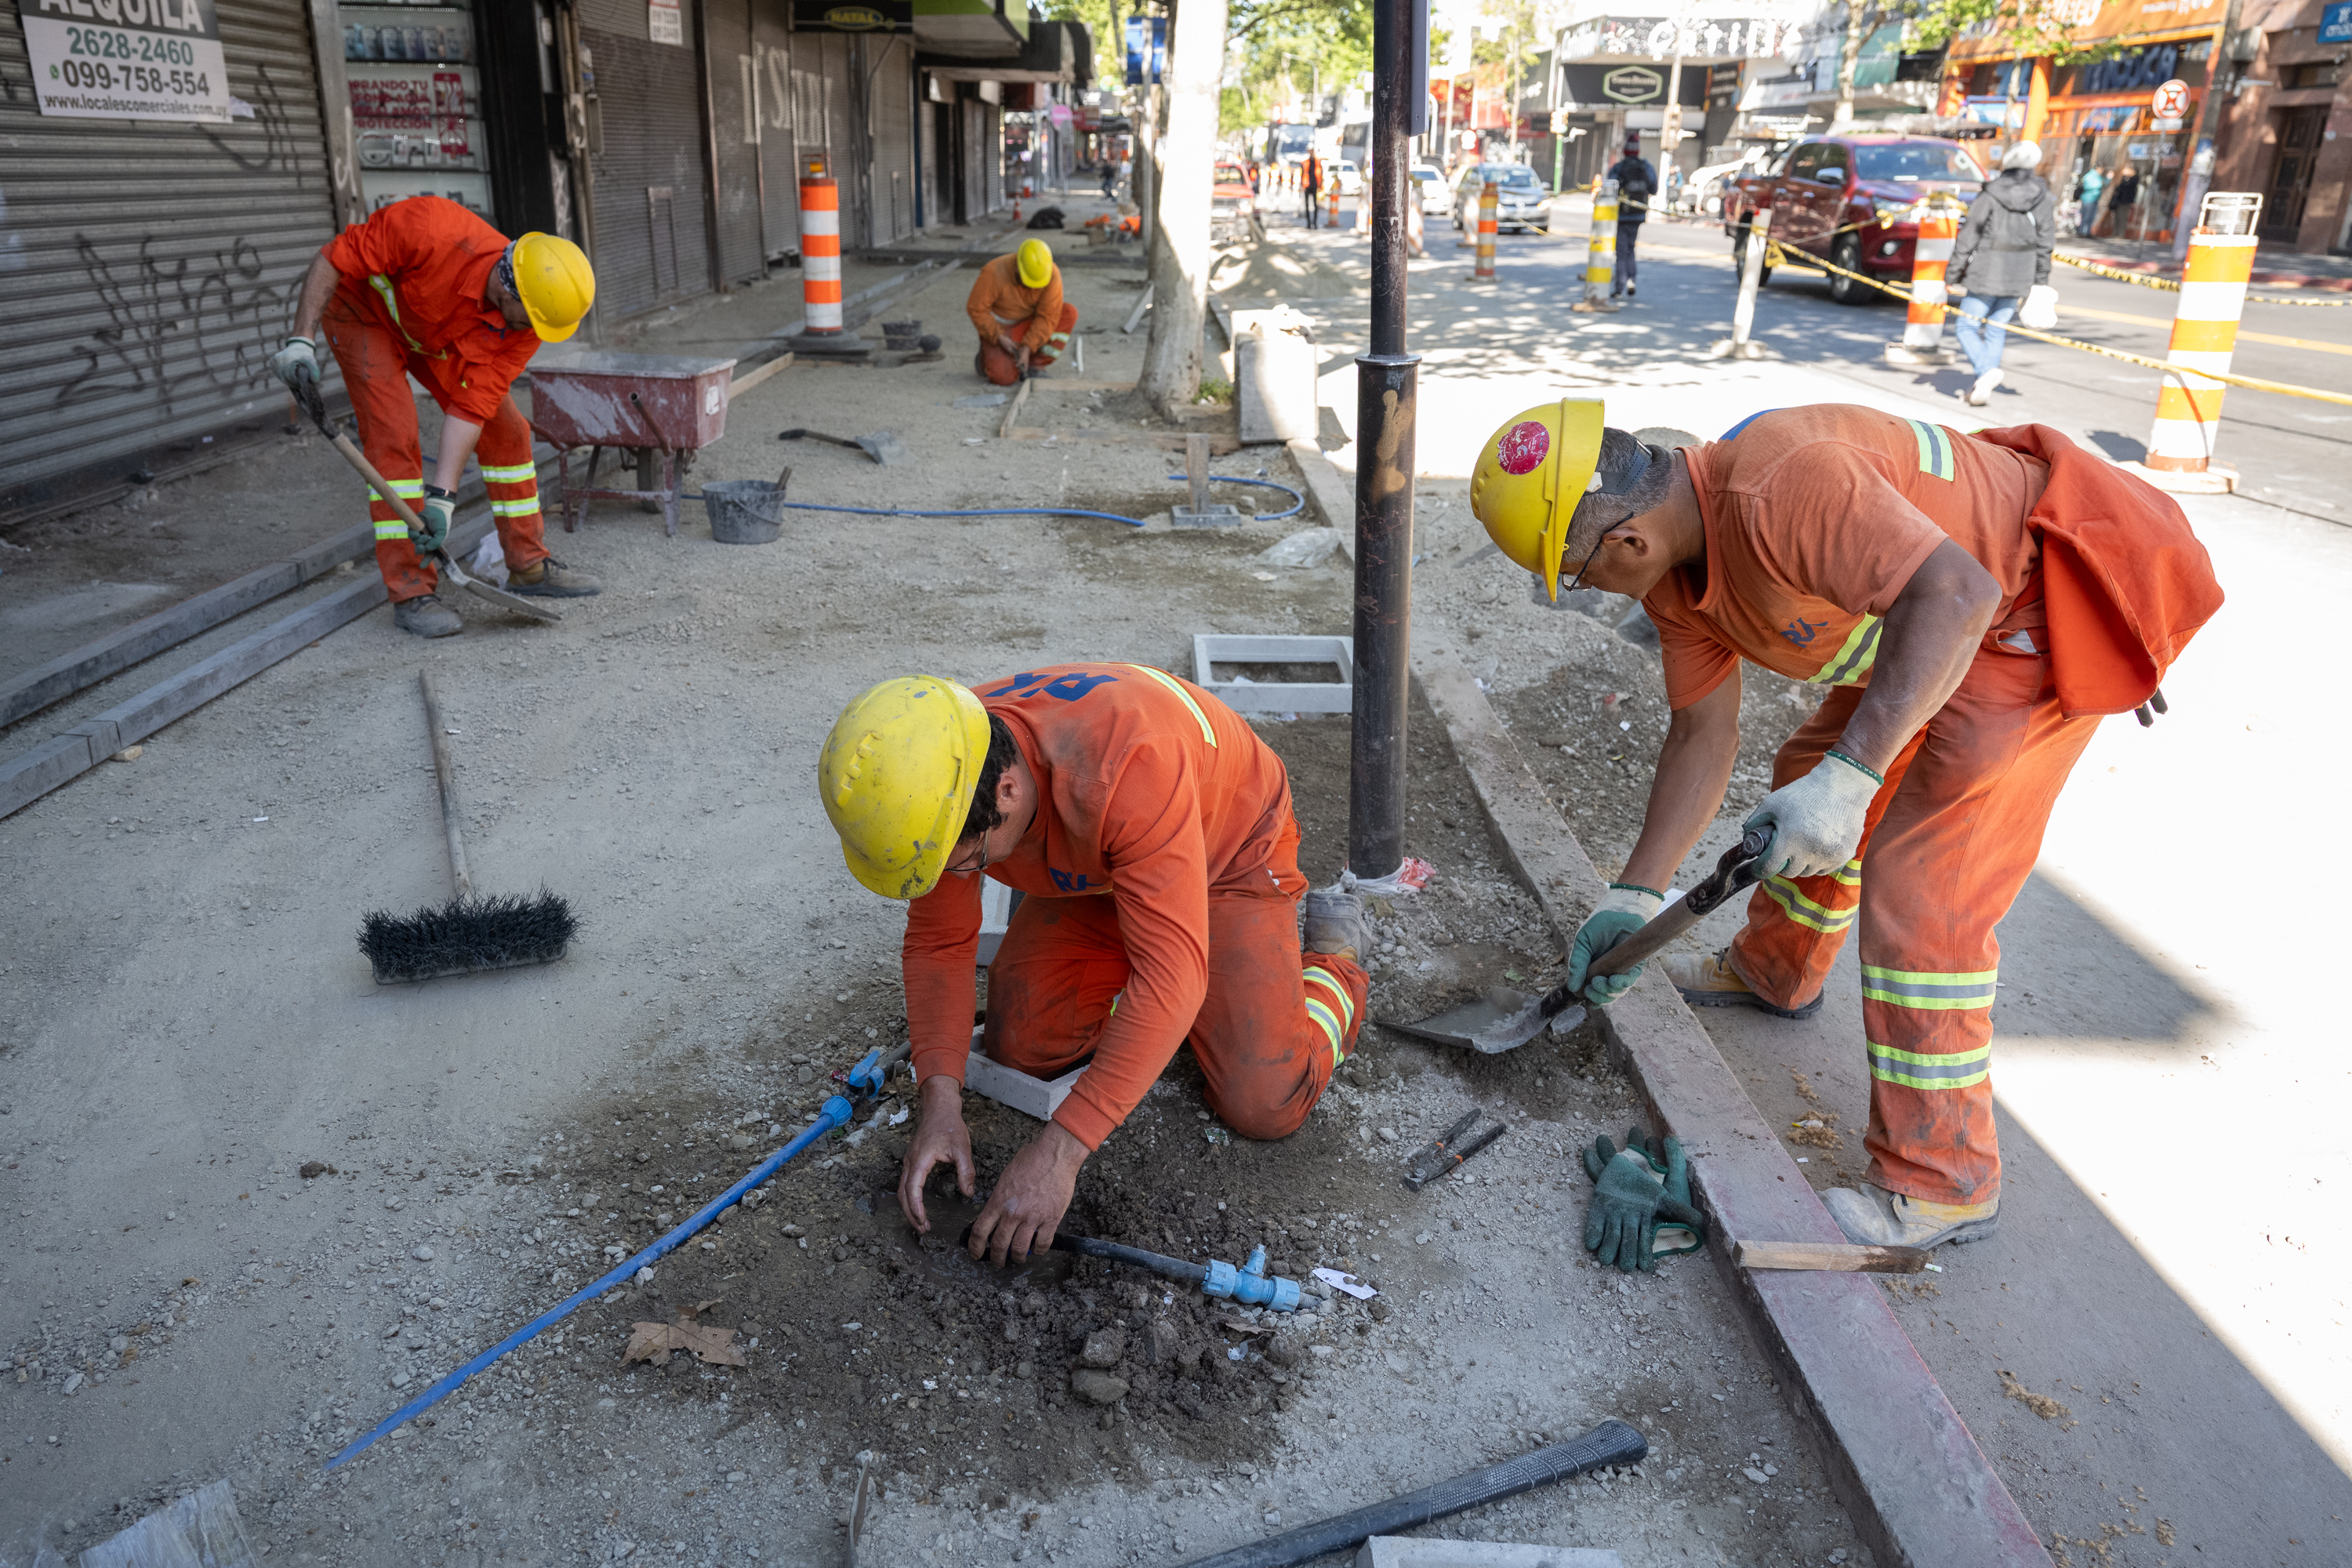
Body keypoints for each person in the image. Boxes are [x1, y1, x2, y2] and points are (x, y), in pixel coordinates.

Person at [1466, 399, 2220, 1253]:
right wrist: (1635, 894)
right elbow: (1701, 733)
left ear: (1627, 542)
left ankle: (1942, 1180)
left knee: (1925, 892)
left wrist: (1856, 778)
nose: (1587, 591)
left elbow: (1959, 591)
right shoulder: (1680, 579)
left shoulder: (1780, 486)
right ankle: (1774, 970)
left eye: (1579, 574)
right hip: (1932, 625)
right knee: (1804, 781)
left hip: (2022, 618)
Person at [818, 668, 1372, 1265]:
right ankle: (1173, 984)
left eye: (965, 865)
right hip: (1112, 859)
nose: (959, 878)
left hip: (1226, 849)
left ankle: (1332, 962)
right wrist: (940, 1105)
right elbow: (938, 946)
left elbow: (1170, 977)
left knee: (1264, 1101)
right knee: (1026, 1042)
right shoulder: (938, 771)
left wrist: (1060, 1154)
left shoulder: (1123, 771)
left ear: (1007, 792)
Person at [267, 196, 600, 638]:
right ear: (508, 288)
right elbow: (332, 258)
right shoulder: (430, 229)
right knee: (394, 436)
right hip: (363, 315)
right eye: (533, 321)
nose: (536, 334)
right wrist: (300, 340)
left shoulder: (526, 322)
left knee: (508, 432)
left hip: (434, 333)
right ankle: (411, 590)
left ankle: (527, 564)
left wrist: (442, 496)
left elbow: (473, 406)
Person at [1947, 140, 2056, 407]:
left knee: (1966, 326)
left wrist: (1952, 273)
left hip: (1987, 269)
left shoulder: (1990, 194)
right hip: (2022, 273)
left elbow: (1969, 236)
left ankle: (1986, 373)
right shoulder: (2043, 196)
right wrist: (2040, 279)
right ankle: (1982, 387)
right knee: (1996, 330)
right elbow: (2046, 241)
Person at [965, 238, 1076, 387]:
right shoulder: (994, 271)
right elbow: (976, 309)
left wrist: (1028, 346)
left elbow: (1048, 317)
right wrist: (997, 336)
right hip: (1002, 329)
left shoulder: (1052, 274)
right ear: (1017, 265)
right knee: (1003, 378)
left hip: (1030, 324)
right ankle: (985, 356)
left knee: (1068, 313)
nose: (1032, 289)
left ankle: (1036, 365)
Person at [1606, 135, 1657, 300]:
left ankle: (1619, 287)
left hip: (1622, 215)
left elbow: (1609, 187)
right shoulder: (1645, 166)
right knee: (1631, 249)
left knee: (1621, 252)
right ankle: (1631, 281)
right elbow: (1654, 188)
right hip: (1639, 214)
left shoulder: (1619, 168)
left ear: (1625, 151)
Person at [1301, 151, 1324, 229]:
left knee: (1315, 205)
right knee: (1307, 205)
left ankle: (1314, 223)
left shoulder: (1317, 162)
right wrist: (1303, 185)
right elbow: (1303, 173)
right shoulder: (1306, 162)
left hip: (1314, 185)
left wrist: (1320, 185)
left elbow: (1320, 173)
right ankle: (1308, 223)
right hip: (1307, 186)